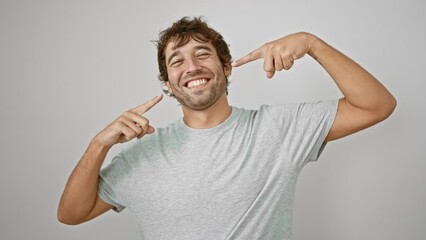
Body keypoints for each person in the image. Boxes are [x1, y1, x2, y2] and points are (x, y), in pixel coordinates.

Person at [57, 17, 396, 239]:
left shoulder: (277, 129)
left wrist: (312, 43)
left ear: (226, 68)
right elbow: (72, 213)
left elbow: (376, 105)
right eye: (177, 61)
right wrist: (97, 145)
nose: (191, 67)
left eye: (202, 54)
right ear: (168, 83)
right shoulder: (140, 156)